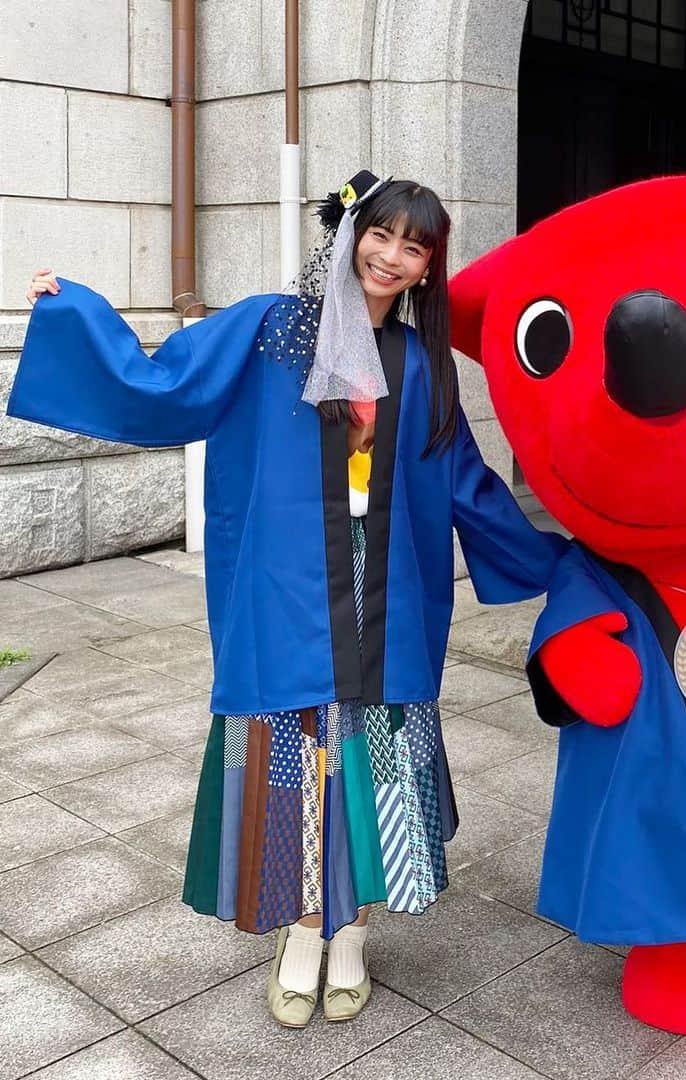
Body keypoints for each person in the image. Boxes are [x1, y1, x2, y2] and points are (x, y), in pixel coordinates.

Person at [11, 171, 565, 1028]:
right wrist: (73, 310)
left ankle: (354, 934)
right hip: (286, 589)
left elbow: (468, 487)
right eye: (379, 234)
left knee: (370, 762)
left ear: (427, 270)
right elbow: (163, 386)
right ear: (348, 236)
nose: (390, 255)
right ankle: (305, 929)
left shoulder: (421, 365)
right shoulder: (275, 329)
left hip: (387, 597)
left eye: (413, 247)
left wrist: (570, 561)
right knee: (298, 757)